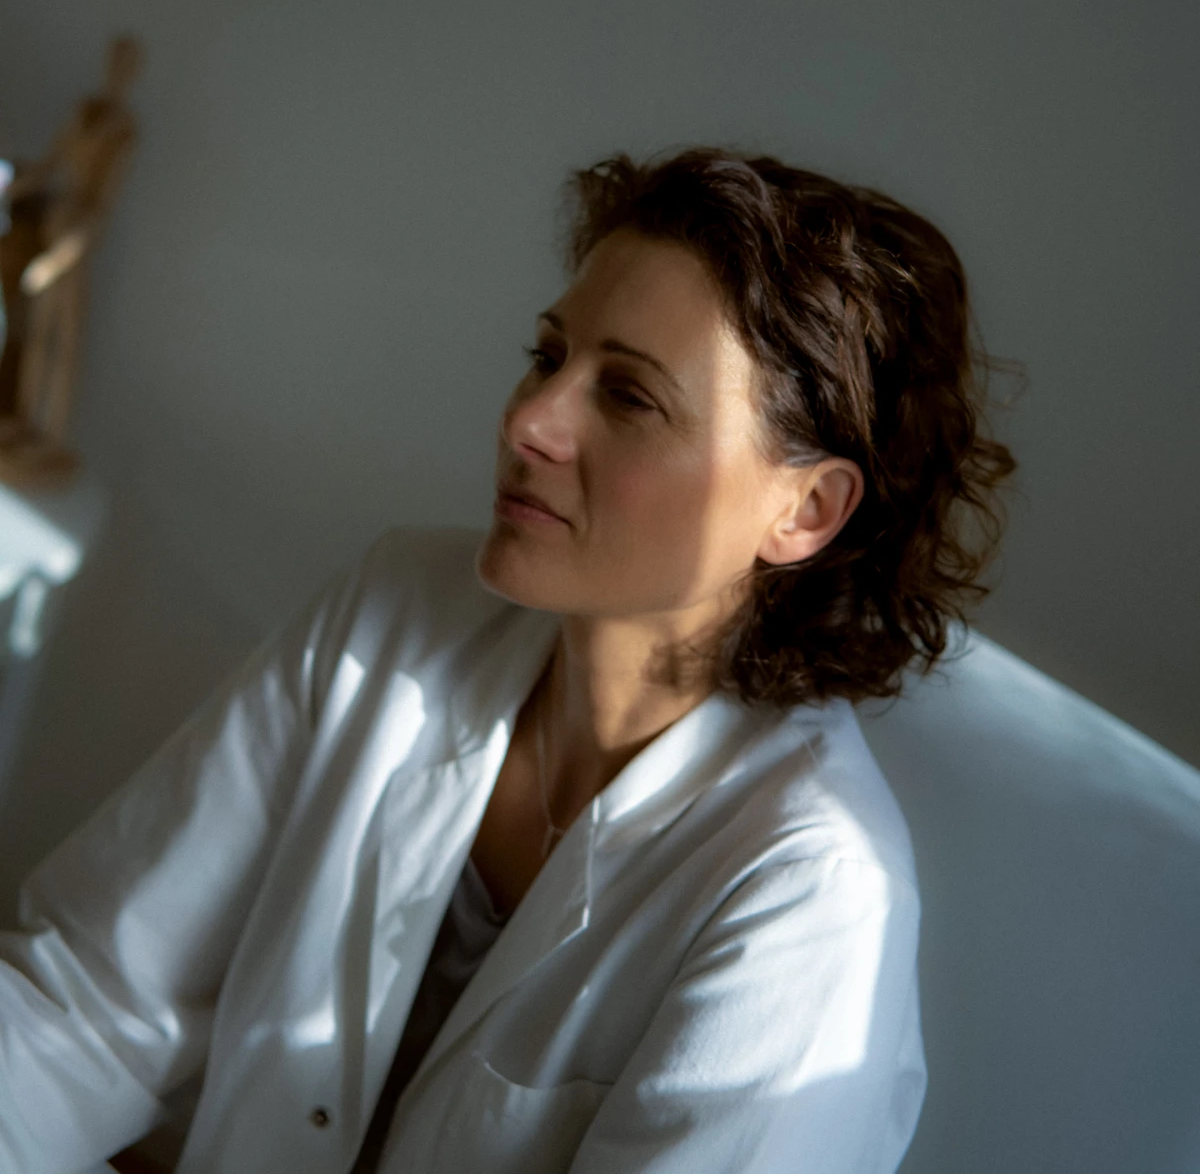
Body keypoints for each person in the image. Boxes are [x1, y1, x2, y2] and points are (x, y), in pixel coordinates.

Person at [0, 146, 1016, 1174]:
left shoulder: (811, 896)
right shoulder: (398, 606)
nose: (527, 420)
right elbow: (82, 1007)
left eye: (629, 396)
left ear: (805, 509)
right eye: (546, 355)